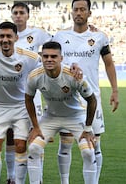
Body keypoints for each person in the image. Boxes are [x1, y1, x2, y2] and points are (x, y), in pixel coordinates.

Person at [52, 0, 119, 184]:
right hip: (67, 97)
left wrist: (115, 90)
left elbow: (109, 65)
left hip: (91, 98)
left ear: (89, 12)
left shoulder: (99, 37)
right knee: (65, 144)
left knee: (94, 146)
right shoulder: (60, 36)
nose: (79, 12)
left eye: (83, 9)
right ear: (71, 12)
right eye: (76, 9)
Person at [26, 41, 97, 184]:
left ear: (61, 58)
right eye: (45, 56)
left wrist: (88, 129)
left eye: (53, 56)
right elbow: (28, 99)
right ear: (41, 57)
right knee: (33, 148)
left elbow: (92, 100)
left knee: (88, 152)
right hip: (51, 118)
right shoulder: (34, 76)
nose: (49, 59)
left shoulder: (73, 75)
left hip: (75, 117)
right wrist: (35, 126)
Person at [0, 21, 41, 184]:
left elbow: (49, 66)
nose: (5, 40)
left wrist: (73, 67)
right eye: (2, 36)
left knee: (21, 145)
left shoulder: (29, 57)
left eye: (9, 36)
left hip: (21, 107)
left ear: (16, 37)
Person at [5, 2, 53, 183]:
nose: (18, 15)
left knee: (35, 136)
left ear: (27, 15)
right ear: (11, 16)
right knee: (12, 139)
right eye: (15, 13)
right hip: (11, 96)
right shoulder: (2, 34)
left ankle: (37, 178)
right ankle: (12, 177)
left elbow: (57, 43)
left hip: (33, 95)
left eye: (21, 13)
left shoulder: (38, 34)